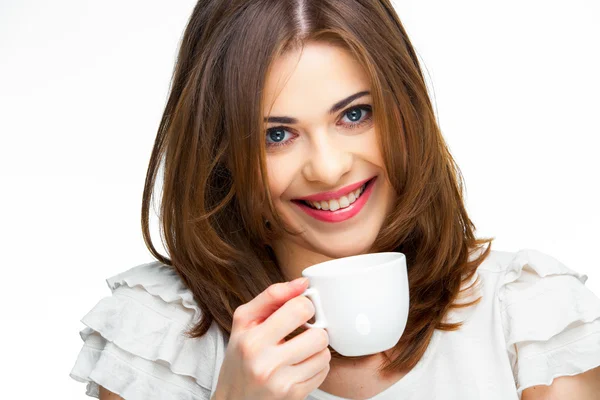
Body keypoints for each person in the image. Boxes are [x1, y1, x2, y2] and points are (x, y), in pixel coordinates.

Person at [68, 0, 600, 399]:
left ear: (406, 112)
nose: (327, 167)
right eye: (276, 135)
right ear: (221, 155)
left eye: (354, 115)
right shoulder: (160, 339)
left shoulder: (528, 320)